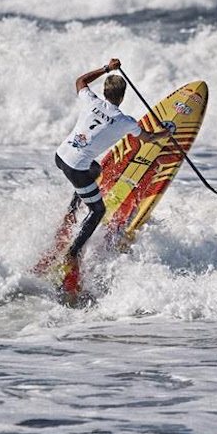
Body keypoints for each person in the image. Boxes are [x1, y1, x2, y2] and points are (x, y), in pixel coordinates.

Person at [53, 58, 172, 289]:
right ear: (122, 96)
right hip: (76, 168)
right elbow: (147, 138)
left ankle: (70, 212)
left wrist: (106, 68)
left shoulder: (90, 100)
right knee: (98, 210)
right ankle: (72, 253)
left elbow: (81, 80)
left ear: (105, 91)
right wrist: (163, 134)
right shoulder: (126, 122)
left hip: (61, 156)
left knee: (95, 168)